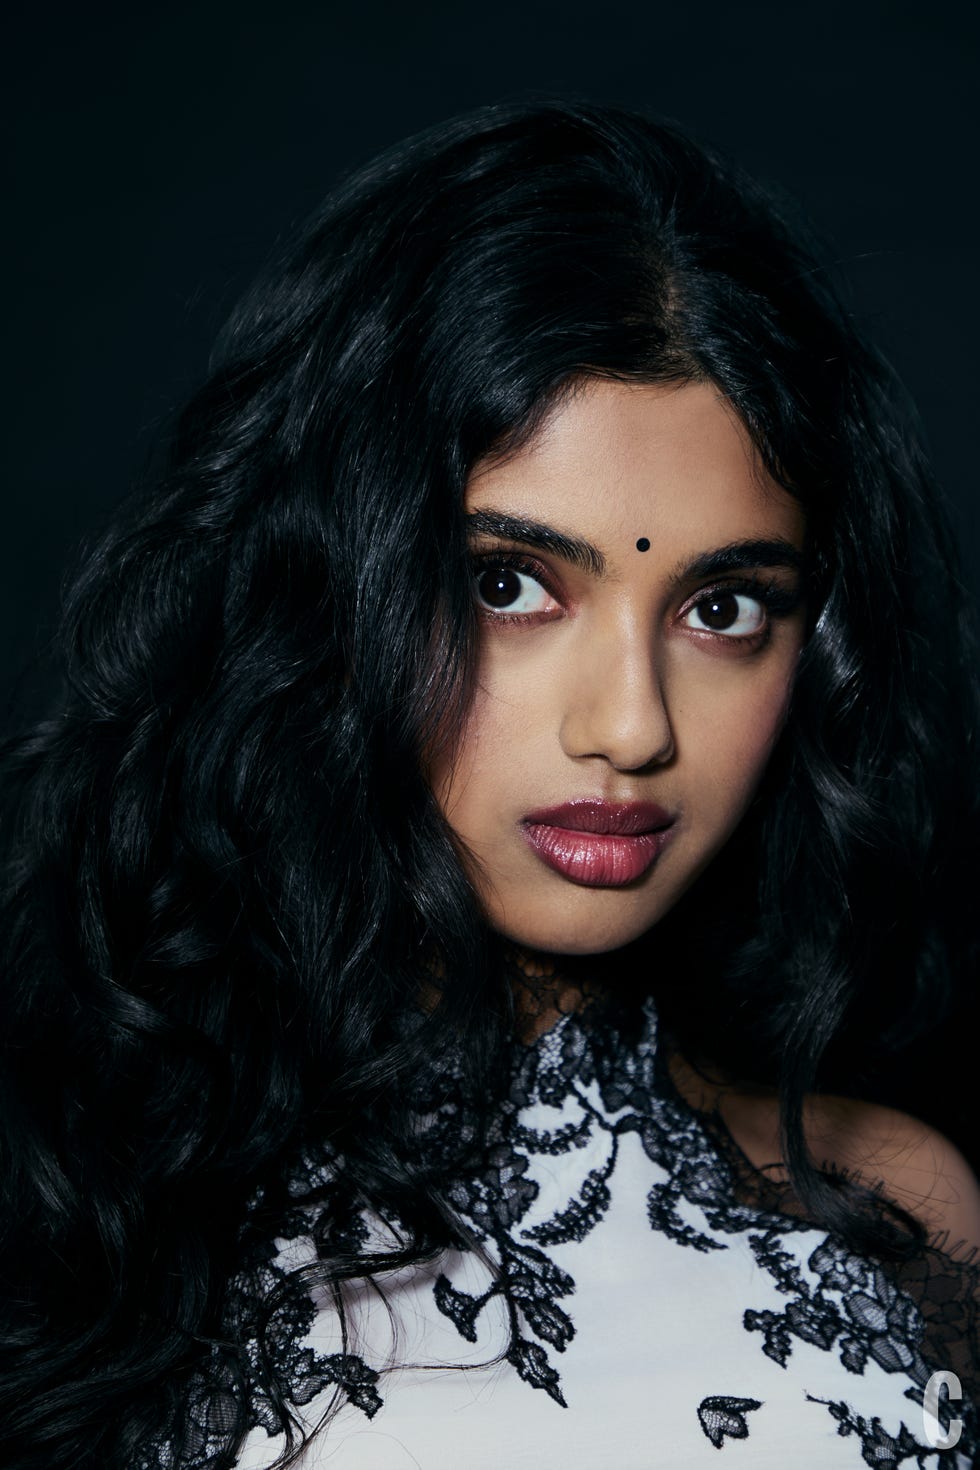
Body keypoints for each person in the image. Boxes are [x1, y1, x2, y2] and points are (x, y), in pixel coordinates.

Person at [1, 98, 978, 1470]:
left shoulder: (904, 1213)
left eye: (725, 610)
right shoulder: (107, 1210)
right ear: (332, 592)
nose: (631, 727)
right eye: (510, 585)